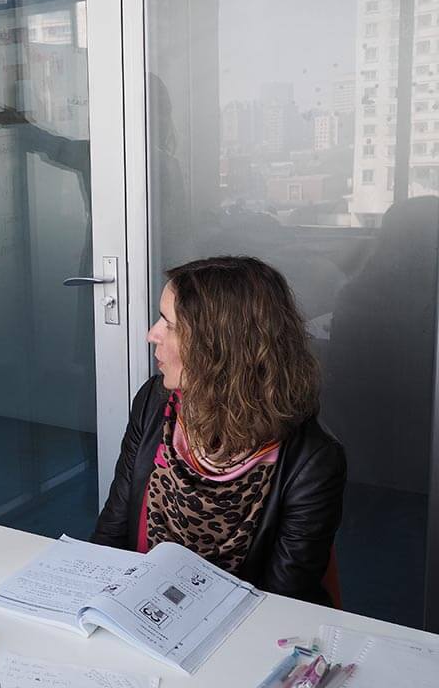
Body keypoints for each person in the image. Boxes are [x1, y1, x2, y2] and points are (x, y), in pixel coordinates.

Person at [90, 256, 346, 606]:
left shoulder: (311, 462)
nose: (152, 334)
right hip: (134, 610)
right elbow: (113, 530)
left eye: (169, 324)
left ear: (220, 346)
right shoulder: (154, 402)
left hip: (232, 636)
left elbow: (282, 602)